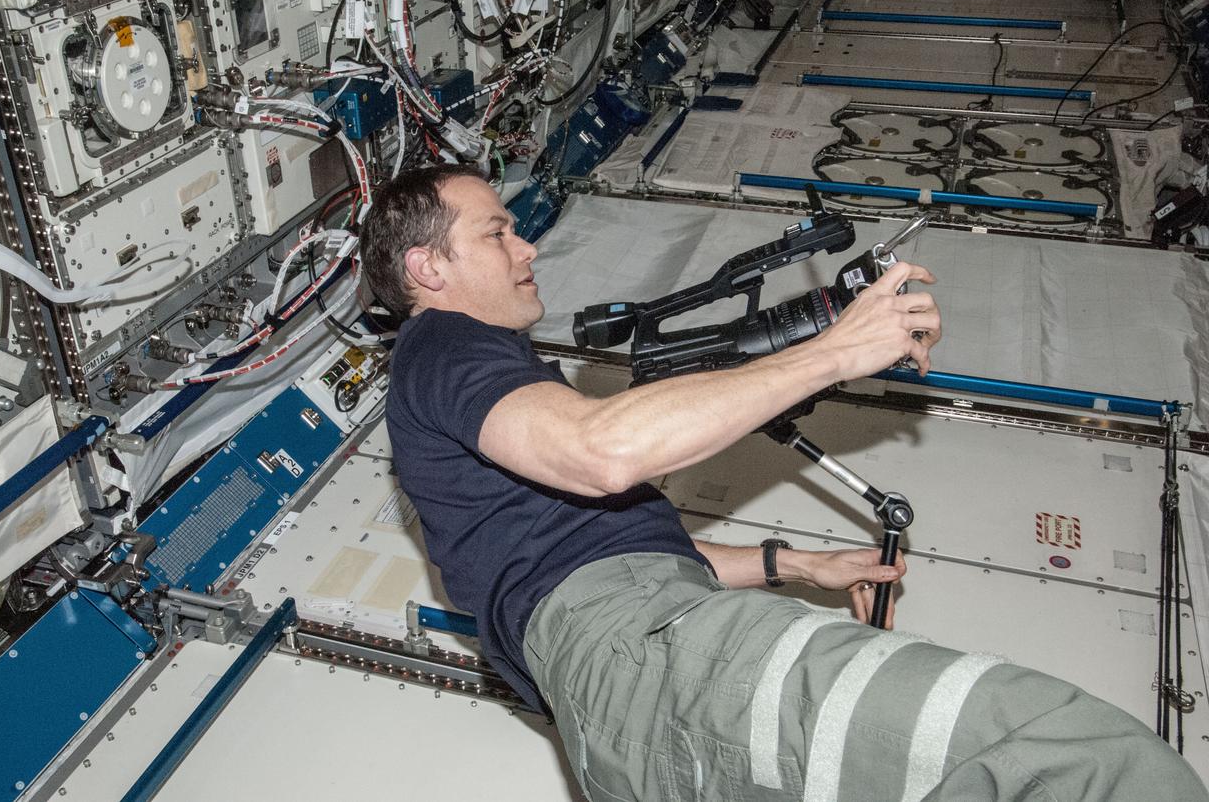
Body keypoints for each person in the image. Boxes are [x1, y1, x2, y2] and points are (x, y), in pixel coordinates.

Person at [359, 164, 1208, 801]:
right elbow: (605, 453)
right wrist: (835, 351)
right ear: (428, 268)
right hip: (645, 650)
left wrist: (794, 565)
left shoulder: (485, 392)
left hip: (625, 686)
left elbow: (602, 554)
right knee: (1075, 758)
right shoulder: (444, 346)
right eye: (498, 233)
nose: (528, 247)